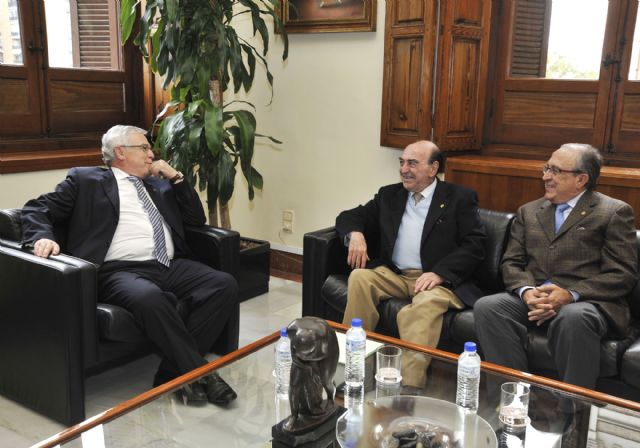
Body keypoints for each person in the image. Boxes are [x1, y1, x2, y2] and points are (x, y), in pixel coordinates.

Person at [21, 125, 238, 406]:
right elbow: (36, 208)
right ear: (120, 152)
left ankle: (172, 374)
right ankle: (201, 373)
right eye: (144, 148)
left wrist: (177, 177)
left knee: (223, 284)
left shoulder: (160, 184)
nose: (152, 154)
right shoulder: (86, 180)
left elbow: (195, 220)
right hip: (119, 270)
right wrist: (42, 237)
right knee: (150, 298)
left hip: (168, 264)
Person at [474, 143, 638, 390]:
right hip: (536, 297)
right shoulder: (529, 211)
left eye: (555, 171)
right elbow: (512, 262)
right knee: (489, 307)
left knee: (573, 317)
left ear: (581, 179)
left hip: (587, 302)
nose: (545, 177)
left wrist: (570, 294)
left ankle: (574, 407)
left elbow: (622, 273)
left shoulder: (613, 212)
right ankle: (512, 397)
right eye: (546, 168)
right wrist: (527, 291)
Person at [336, 140, 487, 388]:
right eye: (402, 162)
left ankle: (408, 388)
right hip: (396, 275)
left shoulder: (459, 198)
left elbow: (475, 244)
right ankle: (352, 369)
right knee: (360, 277)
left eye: (412, 163)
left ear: (433, 168)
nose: (404, 169)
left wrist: (440, 273)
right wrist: (355, 234)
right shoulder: (390, 195)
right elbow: (350, 216)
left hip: (438, 282)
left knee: (422, 307)